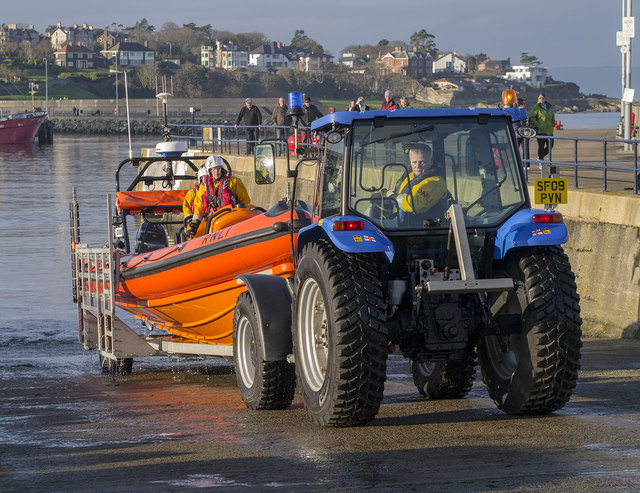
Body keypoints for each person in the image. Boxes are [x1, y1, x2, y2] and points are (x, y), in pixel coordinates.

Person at [378, 144, 448, 219]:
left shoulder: (436, 182)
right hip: (400, 223)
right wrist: (385, 195)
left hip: (420, 226)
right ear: (410, 161)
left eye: (422, 162)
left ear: (431, 161)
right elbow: (399, 193)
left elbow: (414, 205)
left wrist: (391, 196)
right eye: (414, 162)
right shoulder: (410, 175)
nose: (418, 166)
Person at [188, 155, 251, 237]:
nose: (216, 171)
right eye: (214, 169)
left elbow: (245, 201)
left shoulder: (233, 182)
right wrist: (195, 224)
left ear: (222, 169)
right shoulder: (204, 186)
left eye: (218, 168)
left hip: (231, 219)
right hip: (213, 221)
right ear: (210, 171)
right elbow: (199, 206)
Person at [529, 93, 555, 161]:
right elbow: (532, 117)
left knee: (550, 145)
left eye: (543, 98)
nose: (541, 99)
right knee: (541, 146)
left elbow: (552, 115)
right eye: (540, 98)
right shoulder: (536, 107)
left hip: (549, 130)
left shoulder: (548, 106)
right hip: (540, 130)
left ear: (545, 98)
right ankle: (541, 160)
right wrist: (537, 125)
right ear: (538, 98)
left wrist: (553, 123)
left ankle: (541, 156)